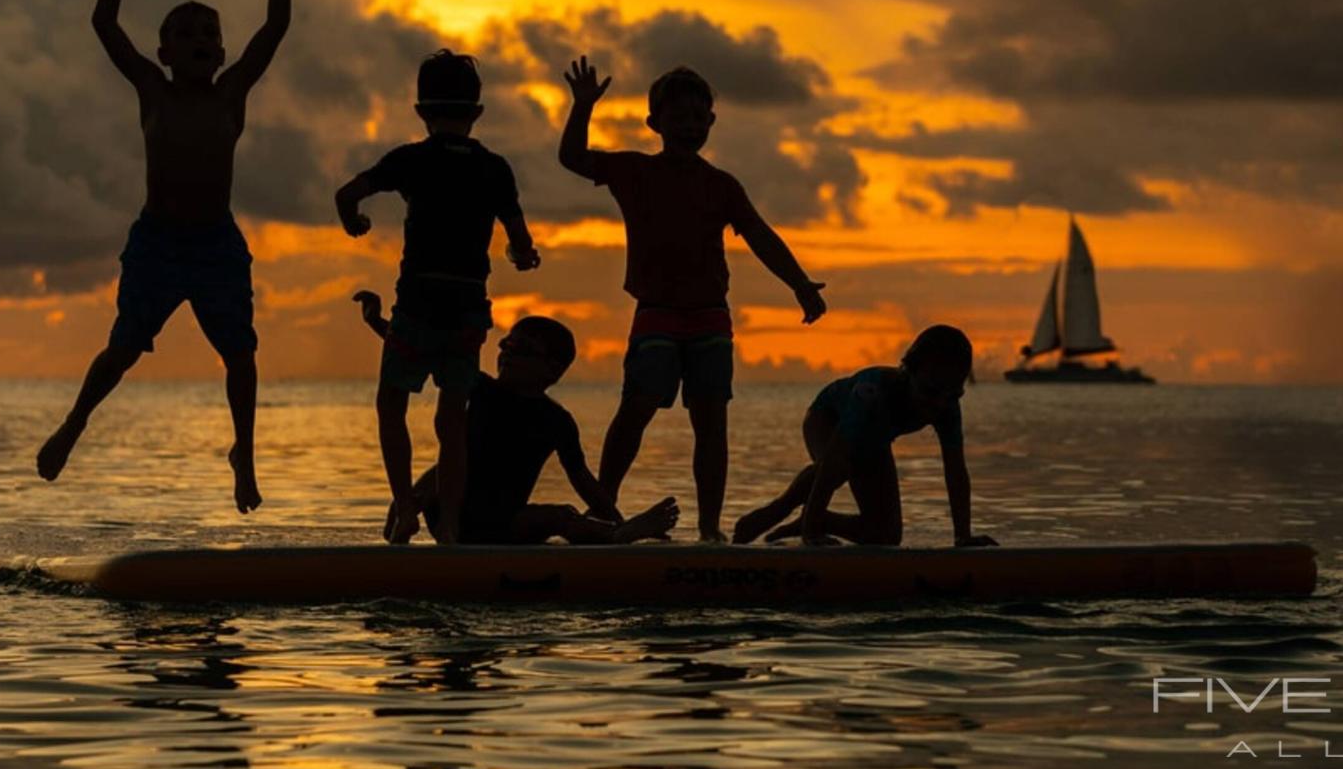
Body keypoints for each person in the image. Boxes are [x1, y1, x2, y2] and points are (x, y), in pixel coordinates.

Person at [36, 0, 295, 513]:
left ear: (223, 54)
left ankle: (245, 455)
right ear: (164, 54)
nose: (200, 40)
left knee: (240, 354)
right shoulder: (151, 90)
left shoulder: (233, 92)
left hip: (215, 246)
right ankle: (74, 423)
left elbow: (276, 27)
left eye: (209, 34)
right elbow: (103, 23)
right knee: (123, 350)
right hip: (157, 242)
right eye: (185, 34)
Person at [559, 56, 827, 542]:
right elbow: (573, 159)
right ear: (654, 123)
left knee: (711, 423)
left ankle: (709, 528)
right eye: (678, 117)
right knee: (635, 410)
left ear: (711, 123)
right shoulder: (633, 170)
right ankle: (604, 510)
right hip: (656, 314)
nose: (689, 126)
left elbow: (760, 235)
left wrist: (801, 285)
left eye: (698, 118)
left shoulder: (721, 186)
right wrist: (582, 108)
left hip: (709, 319)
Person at [337, 51, 539, 544]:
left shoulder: (409, 160)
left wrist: (355, 224)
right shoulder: (495, 168)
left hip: (418, 304)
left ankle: (406, 507)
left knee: (392, 404)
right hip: (468, 309)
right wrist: (521, 256)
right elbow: (520, 238)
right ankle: (449, 526)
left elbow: (347, 195)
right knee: (453, 421)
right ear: (477, 113)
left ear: (421, 111)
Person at [352, 294, 680, 544]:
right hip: (451, 515)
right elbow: (426, 354)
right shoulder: (480, 388)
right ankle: (399, 537)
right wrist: (375, 321)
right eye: (506, 345)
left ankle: (619, 535)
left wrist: (615, 519)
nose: (507, 353)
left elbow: (585, 483)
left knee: (561, 516)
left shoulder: (556, 420)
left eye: (522, 350)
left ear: (553, 370)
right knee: (431, 477)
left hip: (506, 522)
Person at [732, 325, 998, 548]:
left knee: (886, 537)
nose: (938, 402)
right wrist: (811, 535)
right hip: (828, 418)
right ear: (909, 372)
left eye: (952, 393)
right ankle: (781, 510)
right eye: (930, 391)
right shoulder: (873, 392)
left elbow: (955, 471)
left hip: (874, 437)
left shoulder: (946, 407)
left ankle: (821, 520)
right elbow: (835, 459)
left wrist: (963, 536)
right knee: (841, 467)